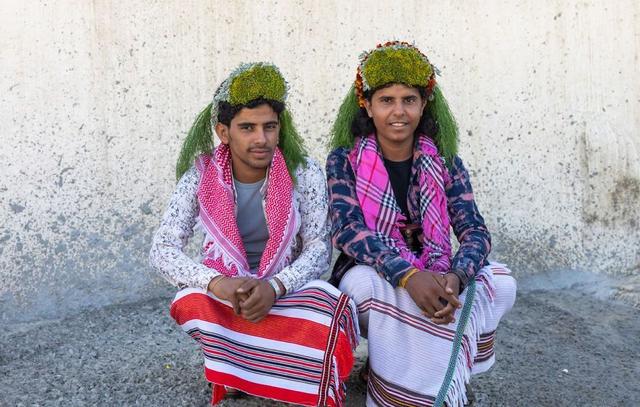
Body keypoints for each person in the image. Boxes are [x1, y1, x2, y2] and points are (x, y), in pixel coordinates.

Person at [150, 62, 358, 406]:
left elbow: (320, 247)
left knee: (327, 302)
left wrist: (275, 287)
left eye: (269, 127)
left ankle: (243, 365)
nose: (261, 139)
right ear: (223, 131)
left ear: (279, 129)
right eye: (247, 127)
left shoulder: (303, 173)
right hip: (226, 294)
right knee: (189, 301)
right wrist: (218, 283)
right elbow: (163, 249)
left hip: (284, 290)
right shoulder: (200, 175)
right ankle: (261, 366)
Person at [326, 41, 516, 407]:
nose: (399, 112)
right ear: (366, 104)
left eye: (409, 100)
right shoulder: (344, 160)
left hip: (441, 271)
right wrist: (410, 277)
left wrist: (455, 277)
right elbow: (348, 231)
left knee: (502, 285)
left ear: (424, 103)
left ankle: (445, 373)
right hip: (381, 276)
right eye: (386, 100)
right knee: (359, 285)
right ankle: (394, 384)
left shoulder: (446, 162)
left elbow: (475, 231)